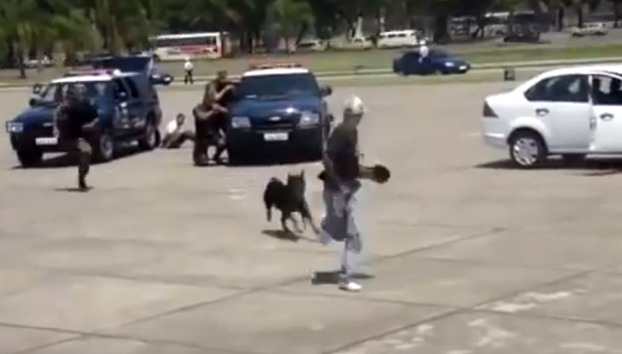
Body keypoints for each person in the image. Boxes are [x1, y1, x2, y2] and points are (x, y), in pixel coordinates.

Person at [319, 95, 379, 292]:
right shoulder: (342, 132)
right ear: (350, 115)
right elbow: (327, 158)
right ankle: (345, 278)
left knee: (348, 234)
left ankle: (329, 225)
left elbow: (350, 165)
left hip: (346, 188)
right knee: (352, 236)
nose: (360, 119)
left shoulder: (352, 132)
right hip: (338, 190)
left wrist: (369, 173)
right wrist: (338, 185)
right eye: (358, 115)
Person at [53, 85, 99, 191]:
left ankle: (82, 176)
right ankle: (81, 177)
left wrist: (91, 124)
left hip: (76, 137)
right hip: (67, 138)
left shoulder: (82, 106)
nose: (68, 99)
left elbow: (94, 118)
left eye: (71, 97)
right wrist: (55, 129)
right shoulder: (63, 109)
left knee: (87, 151)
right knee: (86, 150)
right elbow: (56, 117)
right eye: (68, 97)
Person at [192, 83, 227, 165]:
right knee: (203, 162)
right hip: (202, 140)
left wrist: (221, 110)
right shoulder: (198, 108)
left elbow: (228, 113)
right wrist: (212, 112)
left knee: (223, 142)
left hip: (212, 136)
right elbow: (202, 117)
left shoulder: (217, 108)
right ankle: (200, 155)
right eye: (210, 95)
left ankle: (216, 156)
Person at [210, 70, 236, 163]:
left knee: (229, 137)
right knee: (220, 140)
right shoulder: (213, 85)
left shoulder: (229, 86)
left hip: (224, 117)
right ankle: (216, 155)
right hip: (214, 117)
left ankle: (229, 155)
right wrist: (225, 89)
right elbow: (215, 98)